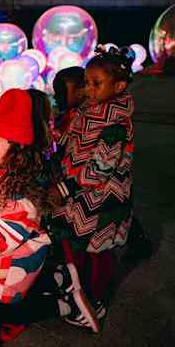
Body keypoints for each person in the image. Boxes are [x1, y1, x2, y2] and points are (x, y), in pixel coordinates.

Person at [0, 89, 99, 338]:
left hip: (13, 260)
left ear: (17, 148)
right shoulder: (7, 174)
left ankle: (64, 304)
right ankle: (61, 278)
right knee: (9, 294)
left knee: (5, 309)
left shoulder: (19, 194)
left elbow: (2, 240)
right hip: (8, 258)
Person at [50, 49, 135, 329]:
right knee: (79, 244)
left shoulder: (115, 125)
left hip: (102, 199)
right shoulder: (87, 112)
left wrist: (64, 187)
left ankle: (95, 300)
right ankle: (80, 289)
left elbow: (100, 169)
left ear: (119, 87)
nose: (88, 88)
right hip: (82, 195)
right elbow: (71, 140)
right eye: (86, 82)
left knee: (98, 251)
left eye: (96, 83)